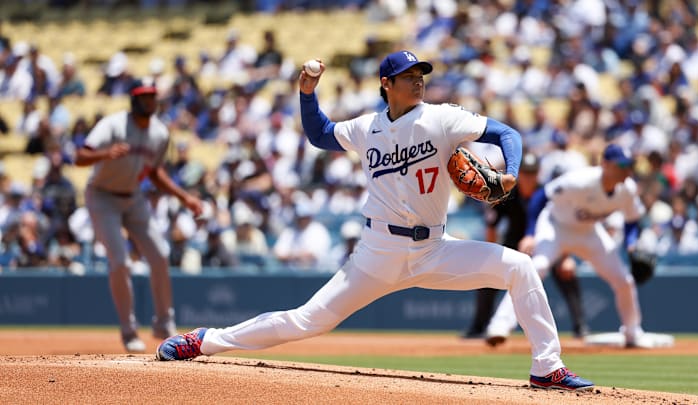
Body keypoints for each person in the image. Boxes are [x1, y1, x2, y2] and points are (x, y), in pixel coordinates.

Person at [157, 51, 593, 391]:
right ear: (387, 85)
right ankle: (205, 340)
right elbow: (320, 134)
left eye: (420, 74)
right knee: (307, 320)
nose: (418, 80)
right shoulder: (368, 127)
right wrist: (307, 93)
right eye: (408, 76)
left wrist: (512, 169)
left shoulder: (442, 117)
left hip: (434, 249)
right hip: (377, 252)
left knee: (519, 266)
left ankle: (547, 368)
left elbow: (506, 135)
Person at [75, 79, 203, 353]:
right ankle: (128, 330)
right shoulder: (113, 125)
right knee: (120, 262)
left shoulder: (160, 133)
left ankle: (163, 324)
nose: (149, 101)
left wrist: (186, 197)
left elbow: (156, 174)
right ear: (134, 100)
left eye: (152, 97)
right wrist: (105, 153)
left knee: (159, 255)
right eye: (143, 97)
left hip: (133, 197)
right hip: (102, 196)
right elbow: (80, 156)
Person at [485, 143, 655, 348]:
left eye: (629, 165)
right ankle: (499, 326)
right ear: (606, 164)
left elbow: (632, 219)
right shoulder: (581, 180)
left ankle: (632, 332)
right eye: (621, 165)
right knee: (535, 267)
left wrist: (630, 244)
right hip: (556, 227)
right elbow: (540, 197)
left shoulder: (627, 188)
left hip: (589, 232)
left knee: (624, 279)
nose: (626, 170)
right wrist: (530, 234)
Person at [463, 153, 588, 342]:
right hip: (513, 245)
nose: (529, 177)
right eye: (526, 173)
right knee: (486, 278)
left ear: (538, 174)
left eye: (533, 173)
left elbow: (562, 225)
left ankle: (581, 326)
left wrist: (565, 256)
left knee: (567, 273)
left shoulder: (547, 194)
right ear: (519, 174)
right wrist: (489, 255)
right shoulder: (507, 194)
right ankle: (478, 328)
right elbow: (491, 225)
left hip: (545, 244)